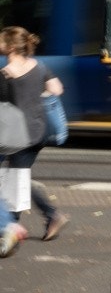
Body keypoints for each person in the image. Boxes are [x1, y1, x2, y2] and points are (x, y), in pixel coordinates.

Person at [0, 25, 68, 258]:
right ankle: (51, 215)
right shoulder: (40, 66)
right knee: (17, 178)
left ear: (9, 46)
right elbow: (56, 89)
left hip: (13, 134)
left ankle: (9, 227)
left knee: (12, 180)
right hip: (38, 132)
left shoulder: (6, 72)